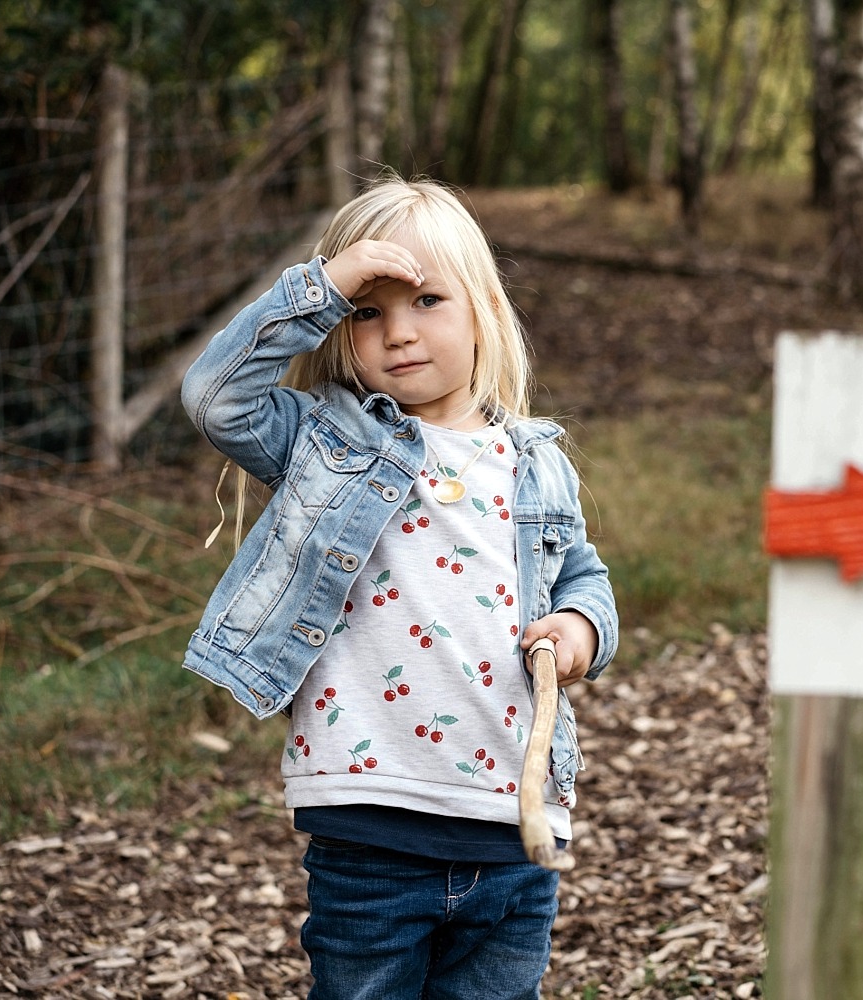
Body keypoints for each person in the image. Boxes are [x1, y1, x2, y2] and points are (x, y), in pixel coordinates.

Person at [180, 175, 617, 999]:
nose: (398, 333)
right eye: (368, 312)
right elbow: (215, 397)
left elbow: (582, 576)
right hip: (369, 821)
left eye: (425, 301)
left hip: (512, 826)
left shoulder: (533, 461)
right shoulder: (322, 441)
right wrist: (318, 289)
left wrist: (579, 629)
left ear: (484, 306)